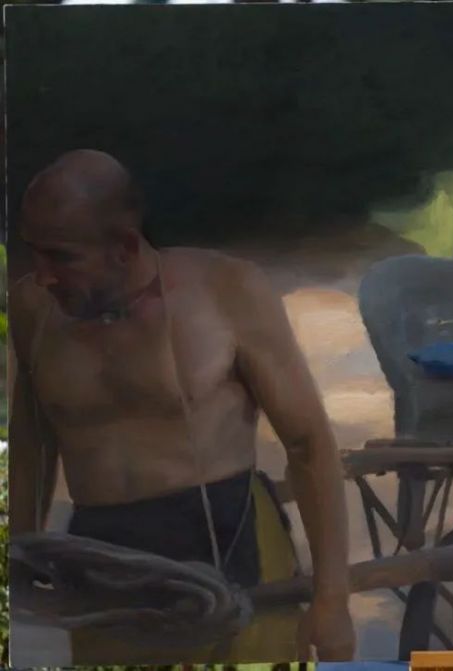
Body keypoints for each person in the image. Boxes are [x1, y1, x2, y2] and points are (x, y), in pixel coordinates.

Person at [8, 149, 355, 662]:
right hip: (103, 564)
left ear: (125, 246)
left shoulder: (226, 290)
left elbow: (308, 444)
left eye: (61, 257)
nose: (43, 275)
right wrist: (20, 552)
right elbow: (32, 443)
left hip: (231, 545)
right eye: (34, 253)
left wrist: (332, 599)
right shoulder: (33, 308)